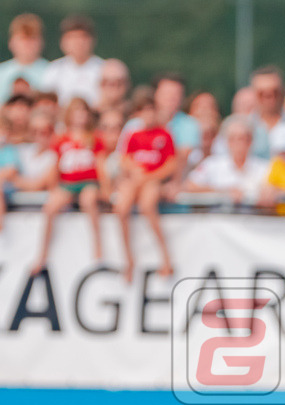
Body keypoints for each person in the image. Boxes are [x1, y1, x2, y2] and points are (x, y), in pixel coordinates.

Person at [34, 98, 108, 275]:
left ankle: (97, 245)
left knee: (89, 200)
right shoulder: (61, 140)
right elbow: (55, 166)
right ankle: (42, 253)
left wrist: (105, 189)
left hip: (88, 182)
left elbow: (101, 166)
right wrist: (54, 188)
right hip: (67, 183)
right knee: (50, 207)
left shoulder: (94, 138)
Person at [115, 89, 177, 280]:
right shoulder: (134, 135)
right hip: (137, 179)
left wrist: (150, 176)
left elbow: (171, 164)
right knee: (121, 208)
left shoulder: (164, 135)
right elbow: (124, 159)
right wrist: (134, 169)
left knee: (147, 206)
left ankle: (165, 257)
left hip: (151, 180)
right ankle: (128, 259)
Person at [185, 115, 269, 204]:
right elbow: (189, 185)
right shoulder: (212, 164)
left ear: (250, 141)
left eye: (241, 138)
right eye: (232, 139)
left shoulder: (263, 167)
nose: (237, 143)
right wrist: (224, 192)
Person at [40, 15, 104, 107]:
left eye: (83, 37)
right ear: (62, 42)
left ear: (93, 40)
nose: (79, 43)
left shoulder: (103, 69)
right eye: (73, 38)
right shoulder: (54, 70)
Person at [0, 14, 48, 102]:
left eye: (32, 39)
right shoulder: (2, 73)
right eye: (23, 39)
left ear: (41, 42)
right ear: (11, 42)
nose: (27, 44)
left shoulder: (51, 72)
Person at [16, 109, 57, 191]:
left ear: (52, 131)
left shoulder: (55, 154)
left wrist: (14, 180)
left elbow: (41, 184)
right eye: (34, 131)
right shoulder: (23, 149)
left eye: (43, 131)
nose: (38, 135)